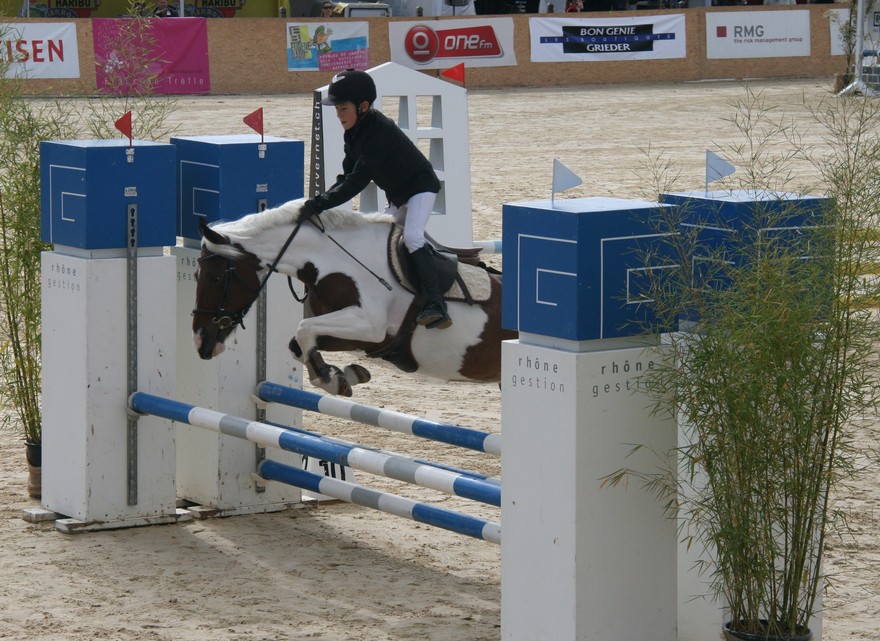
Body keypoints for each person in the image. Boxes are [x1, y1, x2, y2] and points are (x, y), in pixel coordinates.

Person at [299, 69, 452, 330]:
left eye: (343, 108)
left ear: (363, 106)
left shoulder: (380, 131)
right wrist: (319, 201)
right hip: (399, 195)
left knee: (413, 237)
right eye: (337, 109)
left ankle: (437, 305)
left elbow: (357, 183)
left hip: (420, 189)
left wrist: (320, 204)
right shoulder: (354, 133)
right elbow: (346, 176)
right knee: (377, 237)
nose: (339, 115)